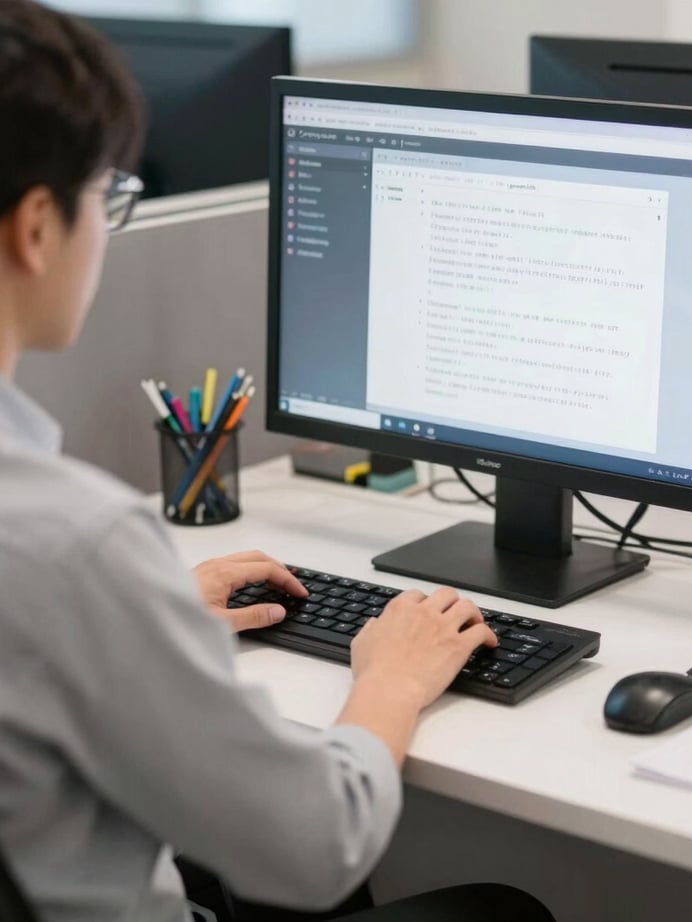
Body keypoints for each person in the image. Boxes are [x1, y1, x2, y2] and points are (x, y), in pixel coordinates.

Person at [0, 3, 556, 921]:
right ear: (33, 228)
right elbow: (318, 848)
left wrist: (151, 620)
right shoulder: (74, 541)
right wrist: (392, 678)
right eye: (107, 197)